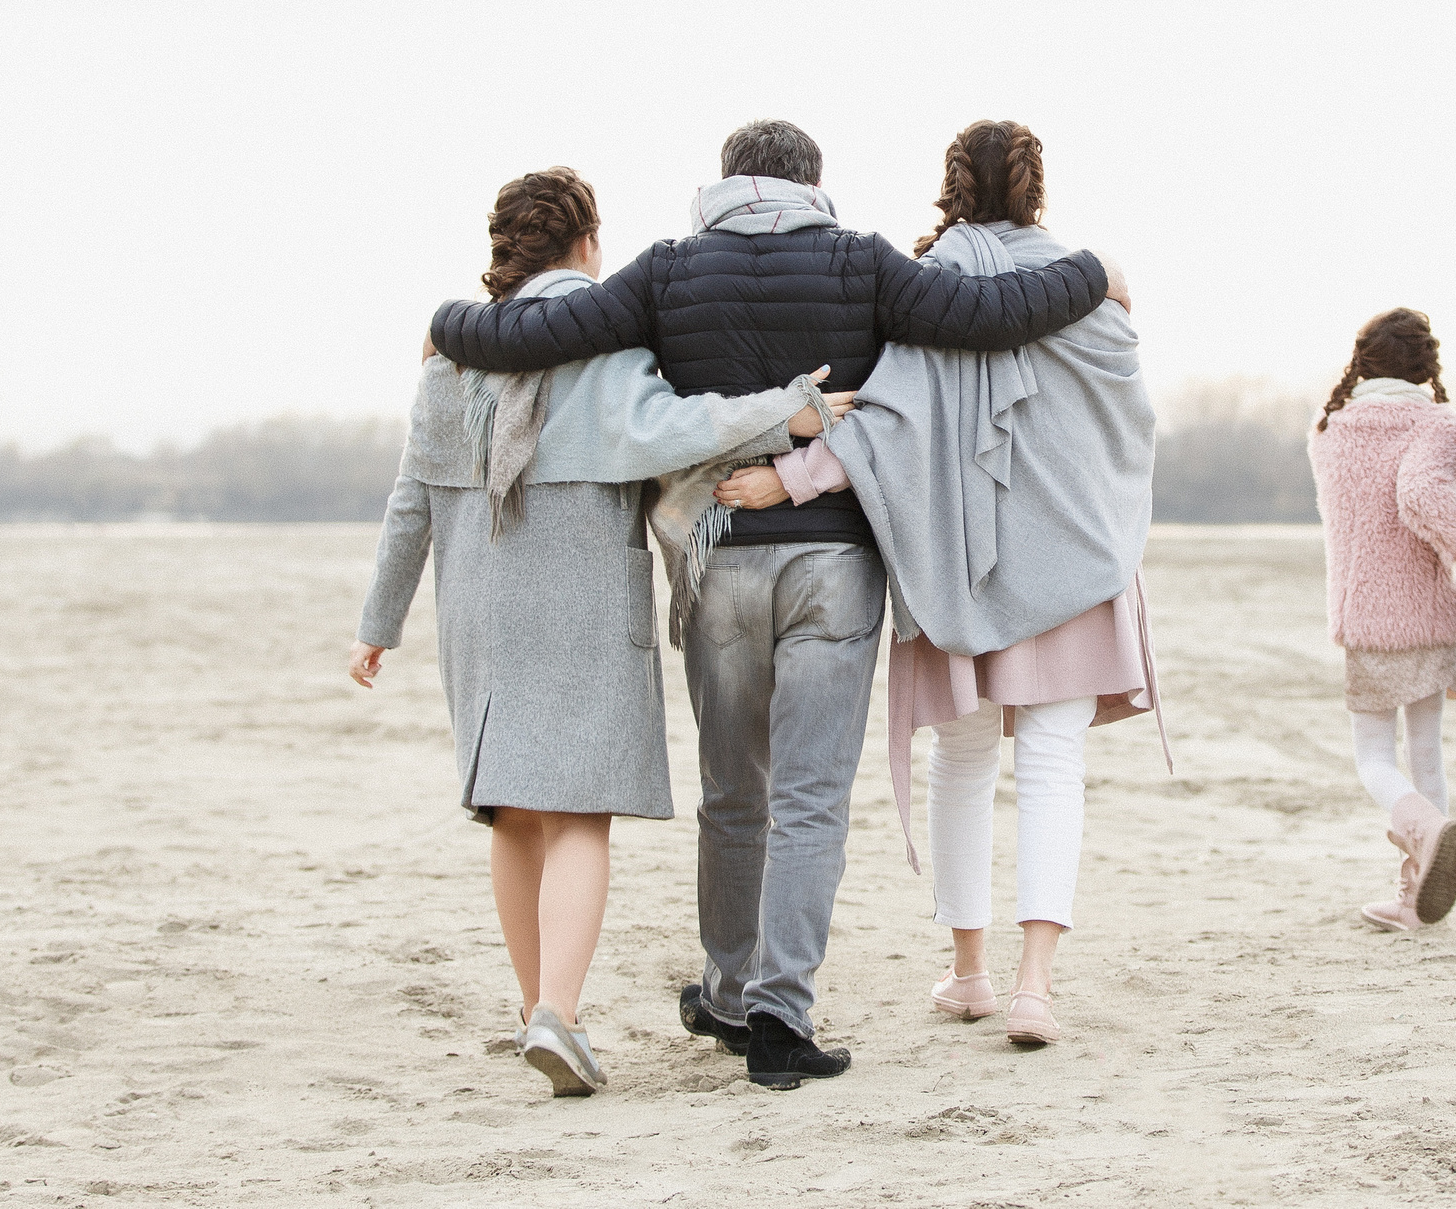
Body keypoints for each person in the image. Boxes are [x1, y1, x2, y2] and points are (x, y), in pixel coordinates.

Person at [428, 121, 1125, 1090]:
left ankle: (724, 991)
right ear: (812, 184)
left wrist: (447, 321)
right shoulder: (860, 263)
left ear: (725, 183)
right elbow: (989, 314)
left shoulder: (667, 271)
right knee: (809, 797)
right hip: (834, 563)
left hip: (718, 558)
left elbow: (538, 333)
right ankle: (779, 1016)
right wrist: (1093, 272)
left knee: (732, 791)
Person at [349, 167, 853, 1098]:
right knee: (577, 814)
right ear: (587, 244)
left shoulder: (450, 358)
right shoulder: (604, 354)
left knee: (510, 811)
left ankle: (540, 1012)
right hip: (580, 604)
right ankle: (556, 1012)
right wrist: (787, 410)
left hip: (479, 611)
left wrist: (378, 624)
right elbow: (680, 431)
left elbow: (410, 501)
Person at [716, 120, 1162, 1048]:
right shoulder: (1091, 291)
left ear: (951, 186)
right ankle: (1035, 988)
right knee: (1054, 765)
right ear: (1036, 188)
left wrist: (785, 480)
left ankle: (971, 973)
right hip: (1073, 563)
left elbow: (883, 426)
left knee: (962, 762)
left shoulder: (928, 291)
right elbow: (1128, 427)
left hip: (956, 567)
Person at [1306, 308, 1456, 933]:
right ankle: (1417, 889)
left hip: (1367, 617)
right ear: (1426, 366)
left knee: (1374, 760)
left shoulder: (1329, 428)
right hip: (1430, 614)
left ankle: (1426, 842)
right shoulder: (1442, 424)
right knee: (1426, 752)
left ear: (1363, 362)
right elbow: (1422, 495)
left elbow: (1403, 498)